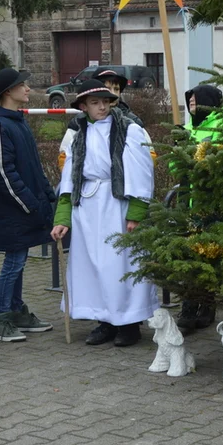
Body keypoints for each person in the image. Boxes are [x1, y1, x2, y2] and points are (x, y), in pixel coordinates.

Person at [51, 79, 156, 347]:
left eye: (105, 102)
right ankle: (105, 321)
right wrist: (62, 218)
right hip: (87, 207)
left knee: (120, 264)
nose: (102, 107)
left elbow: (142, 170)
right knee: (92, 266)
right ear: (83, 106)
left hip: (116, 204)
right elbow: (69, 179)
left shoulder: (128, 130)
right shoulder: (79, 135)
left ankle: (128, 324)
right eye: (95, 103)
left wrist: (136, 211)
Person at [0, 68, 57, 343]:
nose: (27, 89)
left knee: (20, 261)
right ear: (7, 93)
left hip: (26, 206)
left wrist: (47, 195)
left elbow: (33, 167)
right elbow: (2, 171)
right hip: (13, 208)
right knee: (14, 262)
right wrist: (28, 202)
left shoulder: (17, 121)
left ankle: (16, 311)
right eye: (22, 85)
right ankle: (0, 318)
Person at [174, 83, 223, 335]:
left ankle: (206, 307)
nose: (192, 106)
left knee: (208, 254)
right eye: (190, 102)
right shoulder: (187, 129)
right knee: (189, 253)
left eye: (197, 101)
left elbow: (219, 160)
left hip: (211, 199)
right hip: (189, 199)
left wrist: (195, 158)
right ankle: (188, 307)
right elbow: (177, 169)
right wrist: (179, 151)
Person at [58, 68, 144, 173]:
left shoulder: (132, 123)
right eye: (107, 88)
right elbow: (64, 157)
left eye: (116, 89)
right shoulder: (78, 123)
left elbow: (146, 156)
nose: (113, 93)